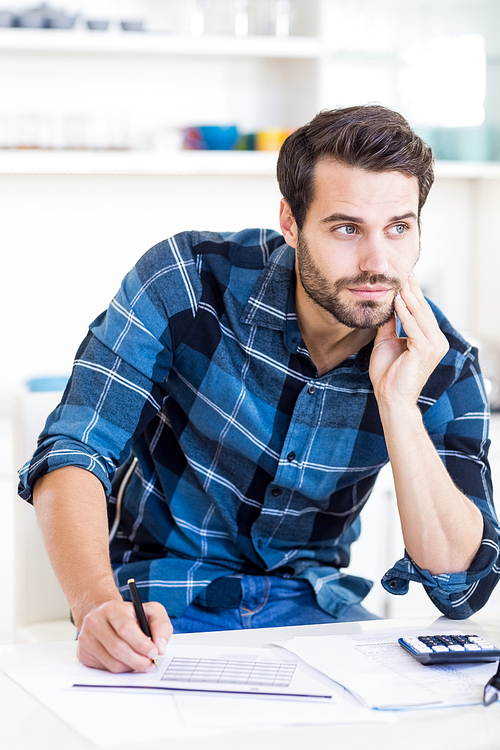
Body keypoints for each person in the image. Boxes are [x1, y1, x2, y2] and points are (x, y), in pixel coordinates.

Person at [19, 105, 499, 674]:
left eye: (398, 227)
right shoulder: (188, 280)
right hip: (163, 609)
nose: (378, 262)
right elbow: (75, 449)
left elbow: (460, 587)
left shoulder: (440, 357)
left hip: (317, 622)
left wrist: (398, 406)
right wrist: (94, 602)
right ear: (290, 224)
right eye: (346, 228)